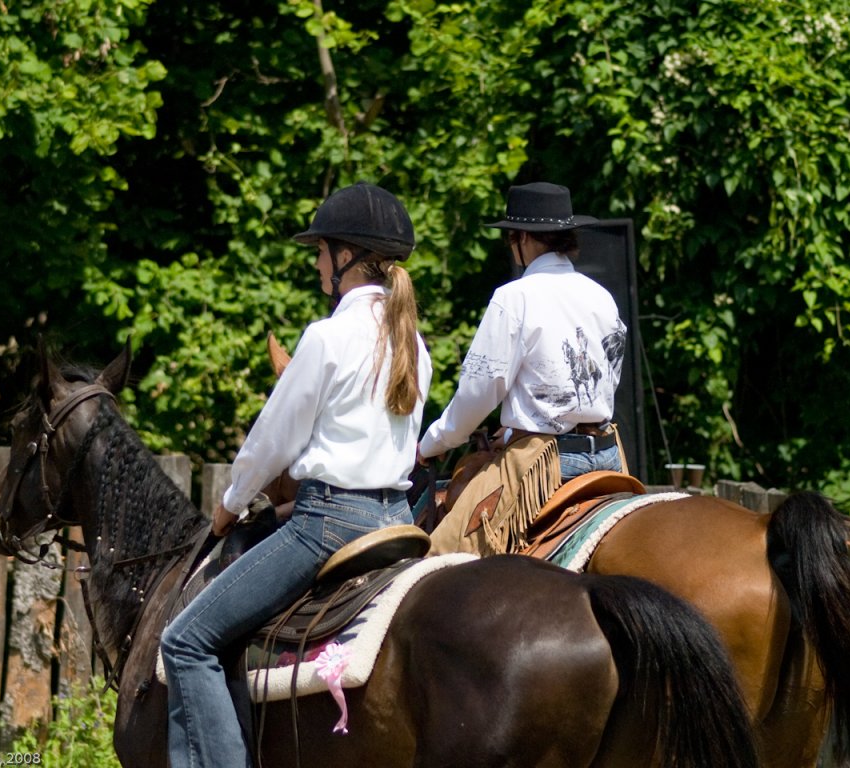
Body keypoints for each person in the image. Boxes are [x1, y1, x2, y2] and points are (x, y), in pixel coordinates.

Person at [160, 182, 432, 768]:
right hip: (399, 521)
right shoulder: (414, 342)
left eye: (320, 251)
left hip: (328, 525)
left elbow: (272, 437)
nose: (315, 263)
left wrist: (230, 502)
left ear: (346, 259)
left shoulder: (327, 336)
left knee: (185, 641)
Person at [418, 181, 626, 555]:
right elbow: (607, 378)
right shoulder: (602, 296)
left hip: (543, 464)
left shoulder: (514, 297)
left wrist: (433, 443)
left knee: (439, 557)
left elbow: (480, 392)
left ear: (523, 238)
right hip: (609, 456)